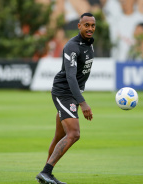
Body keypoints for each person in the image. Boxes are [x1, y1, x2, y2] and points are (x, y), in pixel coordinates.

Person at [36, 12, 96, 184]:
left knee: (58, 137)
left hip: (72, 94)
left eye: (92, 25)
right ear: (79, 26)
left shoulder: (89, 44)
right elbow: (70, 77)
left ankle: (45, 174)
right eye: (87, 25)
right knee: (74, 133)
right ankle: (46, 172)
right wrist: (82, 103)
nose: (90, 28)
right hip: (64, 92)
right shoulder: (72, 46)